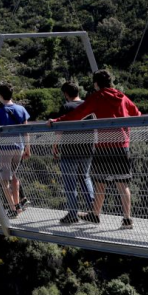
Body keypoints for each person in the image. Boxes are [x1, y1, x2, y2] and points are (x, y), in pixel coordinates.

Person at [49, 69, 139, 229]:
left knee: (99, 183)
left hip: (103, 146)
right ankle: (127, 219)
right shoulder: (122, 96)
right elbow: (137, 114)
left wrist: (57, 120)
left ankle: (95, 214)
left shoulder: (97, 97)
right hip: (122, 145)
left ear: (96, 84)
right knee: (122, 184)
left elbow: (77, 114)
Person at [55, 82, 94, 225]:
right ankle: (93, 211)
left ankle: (72, 214)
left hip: (69, 150)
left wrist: (55, 145)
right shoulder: (88, 106)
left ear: (66, 94)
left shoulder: (66, 107)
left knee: (70, 183)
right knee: (85, 177)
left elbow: (59, 128)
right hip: (87, 149)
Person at [0, 84, 30, 217]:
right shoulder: (21, 109)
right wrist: (27, 148)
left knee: (4, 180)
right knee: (14, 175)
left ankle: (13, 209)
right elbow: (26, 131)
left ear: (0, 95)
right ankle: (18, 205)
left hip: (5, 148)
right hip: (19, 147)